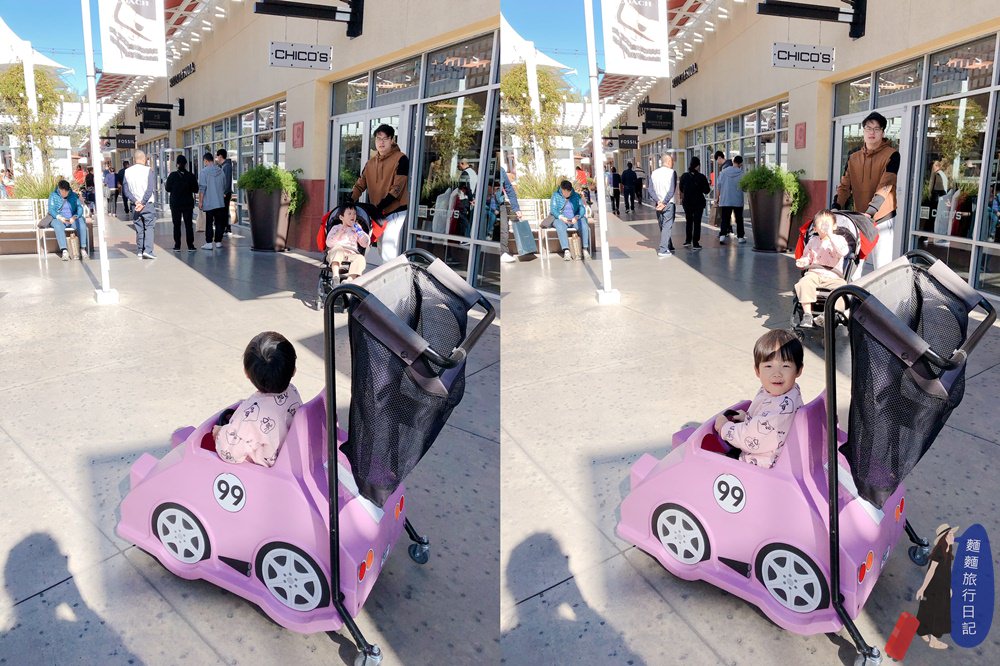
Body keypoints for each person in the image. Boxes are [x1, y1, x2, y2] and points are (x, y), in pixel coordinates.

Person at [714, 329, 804, 468]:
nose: (777, 373)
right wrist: (748, 418)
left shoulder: (780, 410)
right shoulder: (787, 391)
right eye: (768, 366)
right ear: (757, 371)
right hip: (768, 450)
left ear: (798, 370)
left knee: (711, 460)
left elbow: (749, 440)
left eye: (785, 366)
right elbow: (765, 418)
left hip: (762, 466)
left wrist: (724, 428)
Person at [214, 331, 303, 468]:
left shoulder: (250, 418)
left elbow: (229, 453)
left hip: (266, 470)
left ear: (246, 373)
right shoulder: (292, 391)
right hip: (290, 457)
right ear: (294, 371)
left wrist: (219, 433)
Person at [834, 111, 900, 269]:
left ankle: (881, 287)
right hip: (859, 217)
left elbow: (885, 185)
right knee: (854, 264)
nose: (872, 132)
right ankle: (853, 286)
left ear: (882, 132)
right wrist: (836, 206)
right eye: (868, 128)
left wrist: (870, 212)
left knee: (882, 266)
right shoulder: (853, 157)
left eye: (877, 129)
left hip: (881, 217)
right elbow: (844, 186)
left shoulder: (892, 155)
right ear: (863, 131)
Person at [351, 124, 409, 261]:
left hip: (395, 210)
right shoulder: (370, 163)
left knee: (388, 248)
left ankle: (393, 274)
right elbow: (360, 185)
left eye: (385, 139)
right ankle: (393, 272)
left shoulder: (401, 159)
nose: (381, 142)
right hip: (378, 211)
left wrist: (382, 205)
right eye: (378, 138)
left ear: (392, 140)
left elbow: (398, 187)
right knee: (381, 247)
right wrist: (350, 200)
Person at [793, 210, 849, 328]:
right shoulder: (813, 241)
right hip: (815, 273)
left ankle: (830, 314)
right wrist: (803, 261)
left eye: (827, 223)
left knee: (842, 291)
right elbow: (808, 257)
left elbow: (842, 252)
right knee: (804, 283)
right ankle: (807, 314)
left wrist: (830, 236)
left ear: (834, 226)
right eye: (821, 223)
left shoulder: (839, 240)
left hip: (834, 276)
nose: (824, 226)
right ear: (815, 228)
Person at [914, 523, 957, 650]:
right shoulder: (939, 551)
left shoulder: (948, 549)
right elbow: (931, 571)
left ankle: (922, 631)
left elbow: (946, 571)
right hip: (934, 587)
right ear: (944, 537)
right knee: (937, 612)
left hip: (942, 586)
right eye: (950, 534)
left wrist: (948, 587)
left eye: (952, 534)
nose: (953, 536)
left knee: (930, 609)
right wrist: (923, 588)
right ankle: (933, 641)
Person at [123, 151, 158, 259]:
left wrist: (135, 201)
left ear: (134, 159)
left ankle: (140, 250)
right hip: (147, 204)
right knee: (149, 226)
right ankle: (148, 250)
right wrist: (143, 202)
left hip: (135, 205)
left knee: (139, 228)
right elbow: (150, 189)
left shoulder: (127, 172)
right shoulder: (148, 170)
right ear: (145, 159)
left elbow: (126, 190)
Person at [325, 202, 371, 282]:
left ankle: (350, 280)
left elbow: (365, 244)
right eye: (349, 213)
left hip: (351, 254)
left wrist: (360, 232)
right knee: (337, 250)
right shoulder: (336, 228)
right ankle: (335, 276)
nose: (352, 216)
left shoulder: (356, 229)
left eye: (354, 214)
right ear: (341, 217)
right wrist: (339, 233)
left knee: (360, 258)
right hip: (337, 251)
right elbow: (329, 243)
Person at [46, 180, 88, 261]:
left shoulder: (73, 195)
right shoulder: (53, 195)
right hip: (59, 218)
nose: (65, 193)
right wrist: (59, 217)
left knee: (81, 223)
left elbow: (79, 208)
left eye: (66, 191)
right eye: (63, 191)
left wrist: (75, 216)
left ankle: (83, 249)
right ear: (59, 189)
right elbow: (51, 209)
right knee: (58, 226)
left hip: (72, 218)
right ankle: (64, 251)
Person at [548, 179, 589, 261]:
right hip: (560, 218)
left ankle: (585, 249)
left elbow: (582, 208)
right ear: (561, 189)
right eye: (564, 192)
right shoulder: (555, 195)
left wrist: (577, 216)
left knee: (583, 224)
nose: (566, 194)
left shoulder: (576, 196)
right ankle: (566, 251)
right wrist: (561, 217)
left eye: (568, 192)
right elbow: (553, 209)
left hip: (574, 219)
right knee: (560, 226)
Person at [165, 154, 199, 252]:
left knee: (176, 225)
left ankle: (177, 246)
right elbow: (196, 189)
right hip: (188, 204)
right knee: (189, 225)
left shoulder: (172, 175)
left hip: (175, 204)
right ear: (186, 164)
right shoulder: (190, 176)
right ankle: (190, 245)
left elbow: (167, 188)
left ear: (177, 164)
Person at [649, 153, 678, 258]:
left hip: (658, 204)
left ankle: (669, 245)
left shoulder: (654, 173)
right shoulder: (672, 173)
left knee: (663, 225)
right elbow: (671, 190)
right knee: (667, 226)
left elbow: (650, 190)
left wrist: (658, 201)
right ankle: (663, 249)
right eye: (672, 162)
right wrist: (664, 202)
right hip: (668, 203)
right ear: (669, 162)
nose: (673, 164)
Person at [679, 156, 710, 250]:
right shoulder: (701, 177)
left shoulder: (684, 176)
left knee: (689, 221)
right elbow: (707, 190)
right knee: (697, 222)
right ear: (697, 166)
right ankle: (695, 242)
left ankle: (688, 240)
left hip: (687, 202)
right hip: (698, 203)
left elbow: (681, 189)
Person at [198, 152, 227, 250]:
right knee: (219, 222)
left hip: (209, 202)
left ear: (206, 161)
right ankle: (218, 242)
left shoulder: (203, 172)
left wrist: (200, 201)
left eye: (204, 161)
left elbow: (202, 188)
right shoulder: (220, 171)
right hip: (219, 202)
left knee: (209, 223)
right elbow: (224, 185)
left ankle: (209, 243)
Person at [717, 155, 746, 244]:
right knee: (739, 219)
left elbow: (719, 186)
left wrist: (717, 198)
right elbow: (745, 188)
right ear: (741, 164)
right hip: (737, 200)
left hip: (726, 199)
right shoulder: (742, 174)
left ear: (733, 162)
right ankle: (740, 237)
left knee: (725, 219)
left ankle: (722, 236)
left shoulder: (723, 172)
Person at [498, 166, 522, 264]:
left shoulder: (501, 170)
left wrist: (516, 208)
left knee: (504, 229)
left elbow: (509, 188)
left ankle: (503, 253)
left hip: (500, 204)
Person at [215, 148, 235, 236]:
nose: (217, 159)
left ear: (220, 156)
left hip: (225, 193)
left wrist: (224, 193)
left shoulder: (226, 166)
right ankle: (225, 228)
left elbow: (227, 181)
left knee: (224, 211)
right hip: (224, 192)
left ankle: (226, 228)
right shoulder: (224, 166)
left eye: (217, 157)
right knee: (224, 210)